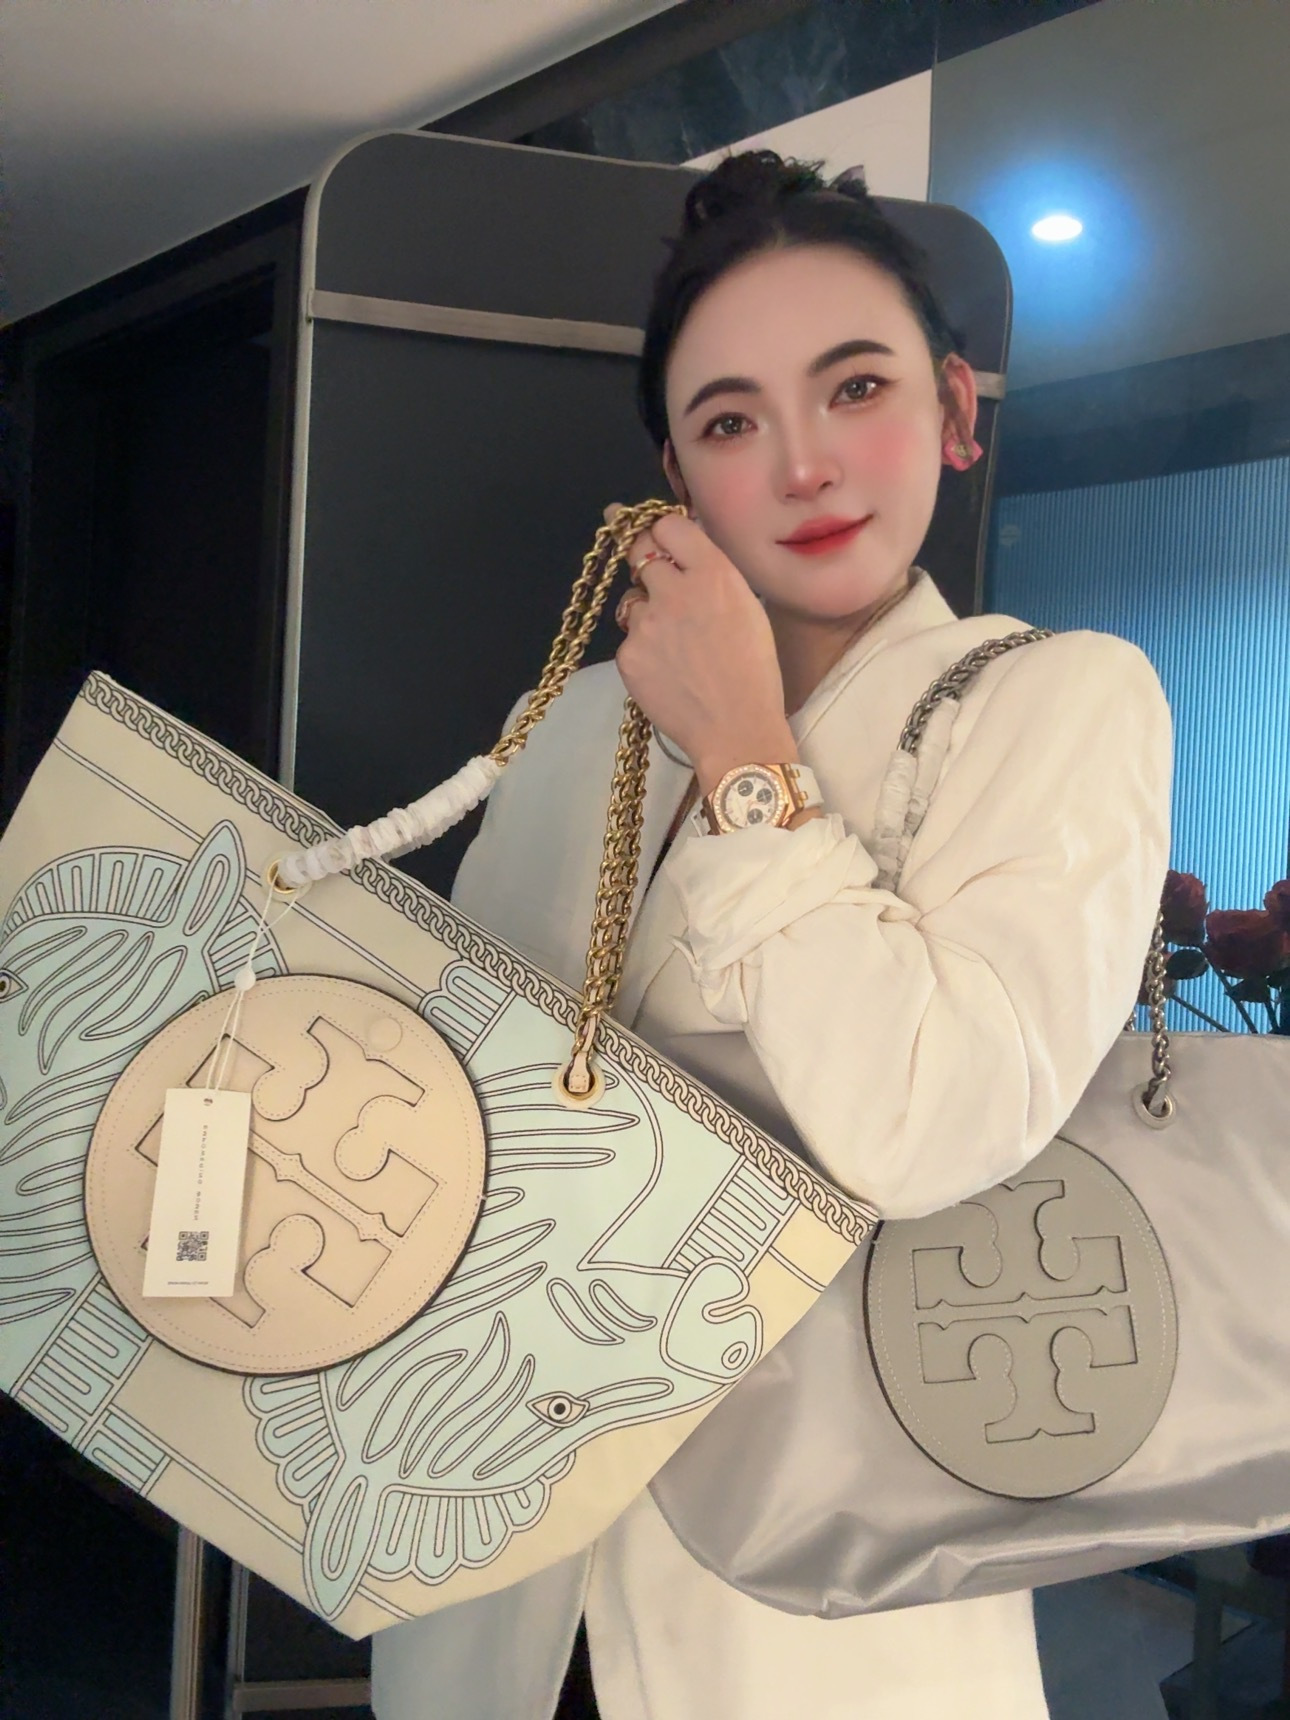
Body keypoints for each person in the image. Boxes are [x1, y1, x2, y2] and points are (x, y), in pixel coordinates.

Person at [371, 150, 1172, 1720]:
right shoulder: (583, 725)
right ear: (677, 476)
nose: (804, 466)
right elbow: (473, 1103)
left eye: (854, 387)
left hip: (814, 1620)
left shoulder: (1055, 699)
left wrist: (744, 747)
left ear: (952, 408)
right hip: (502, 1551)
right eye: (731, 421)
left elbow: (928, 1129)